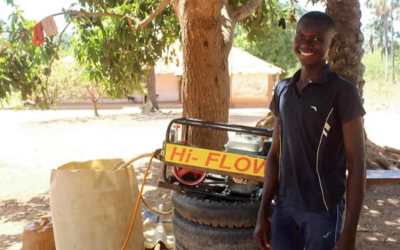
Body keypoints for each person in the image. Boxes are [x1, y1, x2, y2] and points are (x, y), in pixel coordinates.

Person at [253, 11, 366, 250]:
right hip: (284, 209)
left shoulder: (342, 93)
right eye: (301, 36)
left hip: (323, 212)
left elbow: (357, 165)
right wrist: (263, 212)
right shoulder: (283, 90)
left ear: (331, 43)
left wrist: (349, 235)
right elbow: (275, 153)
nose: (305, 44)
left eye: (316, 39)